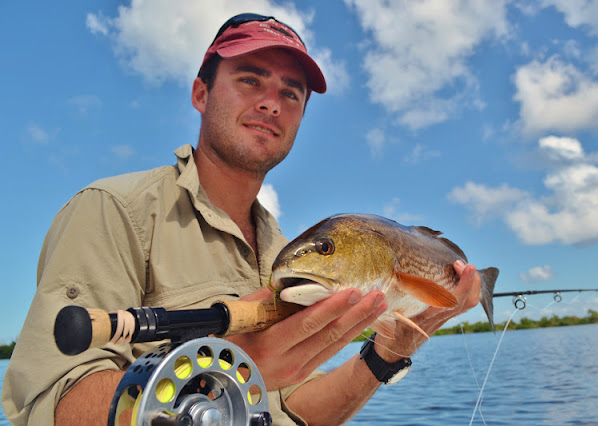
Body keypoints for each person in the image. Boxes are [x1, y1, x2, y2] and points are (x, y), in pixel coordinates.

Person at [1, 13, 482, 425]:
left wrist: (387, 353)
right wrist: (232, 367)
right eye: (250, 79)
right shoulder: (111, 210)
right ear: (200, 93)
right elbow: (56, 405)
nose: (272, 102)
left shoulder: (284, 253)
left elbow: (297, 408)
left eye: (291, 94)